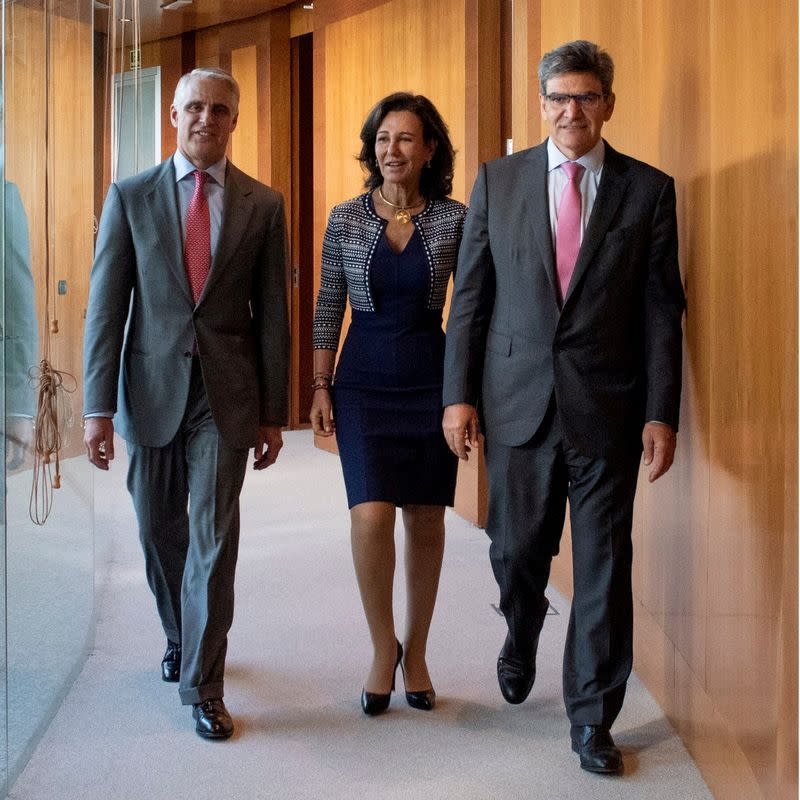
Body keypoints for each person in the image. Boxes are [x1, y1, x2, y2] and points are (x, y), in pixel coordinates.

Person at [442, 40, 685, 774]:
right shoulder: (499, 181)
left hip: (609, 406)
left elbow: (661, 311)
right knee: (515, 551)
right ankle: (520, 630)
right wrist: (457, 395)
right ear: (540, 104)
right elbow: (472, 298)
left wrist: (661, 410)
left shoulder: (648, 190)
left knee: (605, 565)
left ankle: (592, 719)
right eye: (557, 97)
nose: (569, 110)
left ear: (608, 103)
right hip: (515, 400)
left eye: (584, 96)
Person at [83, 67, 289, 740]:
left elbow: (272, 317)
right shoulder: (131, 196)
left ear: (235, 119)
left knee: (214, 537)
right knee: (156, 531)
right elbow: (107, 309)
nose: (207, 118)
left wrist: (271, 413)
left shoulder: (262, 204)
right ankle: (179, 631)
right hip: (149, 390)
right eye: (194, 107)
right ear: (175, 115)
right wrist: (97, 407)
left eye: (220, 109)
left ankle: (205, 684)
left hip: (226, 395)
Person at [311, 92, 466, 715]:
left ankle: (419, 650)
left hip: (432, 377)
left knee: (426, 519)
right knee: (371, 515)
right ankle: (383, 648)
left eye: (405, 139)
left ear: (429, 150)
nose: (391, 150)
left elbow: (475, 307)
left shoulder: (456, 219)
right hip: (363, 381)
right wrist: (320, 385)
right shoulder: (345, 218)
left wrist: (467, 395)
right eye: (382, 139)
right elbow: (327, 305)